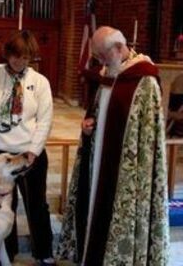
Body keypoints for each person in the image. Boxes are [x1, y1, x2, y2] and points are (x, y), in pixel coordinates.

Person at [57, 26, 169, 265]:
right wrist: (89, 124)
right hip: (98, 159)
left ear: (119, 48)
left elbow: (148, 136)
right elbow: (100, 110)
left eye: (102, 55)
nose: (100, 62)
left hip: (126, 169)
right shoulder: (111, 71)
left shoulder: (144, 79)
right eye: (97, 56)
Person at [0, 29, 56, 266]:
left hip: (30, 154)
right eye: (16, 56)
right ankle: (5, 254)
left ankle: (44, 252)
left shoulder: (40, 82)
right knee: (2, 207)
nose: (20, 62)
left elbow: (45, 119)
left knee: (37, 204)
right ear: (8, 53)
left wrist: (34, 151)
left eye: (26, 57)